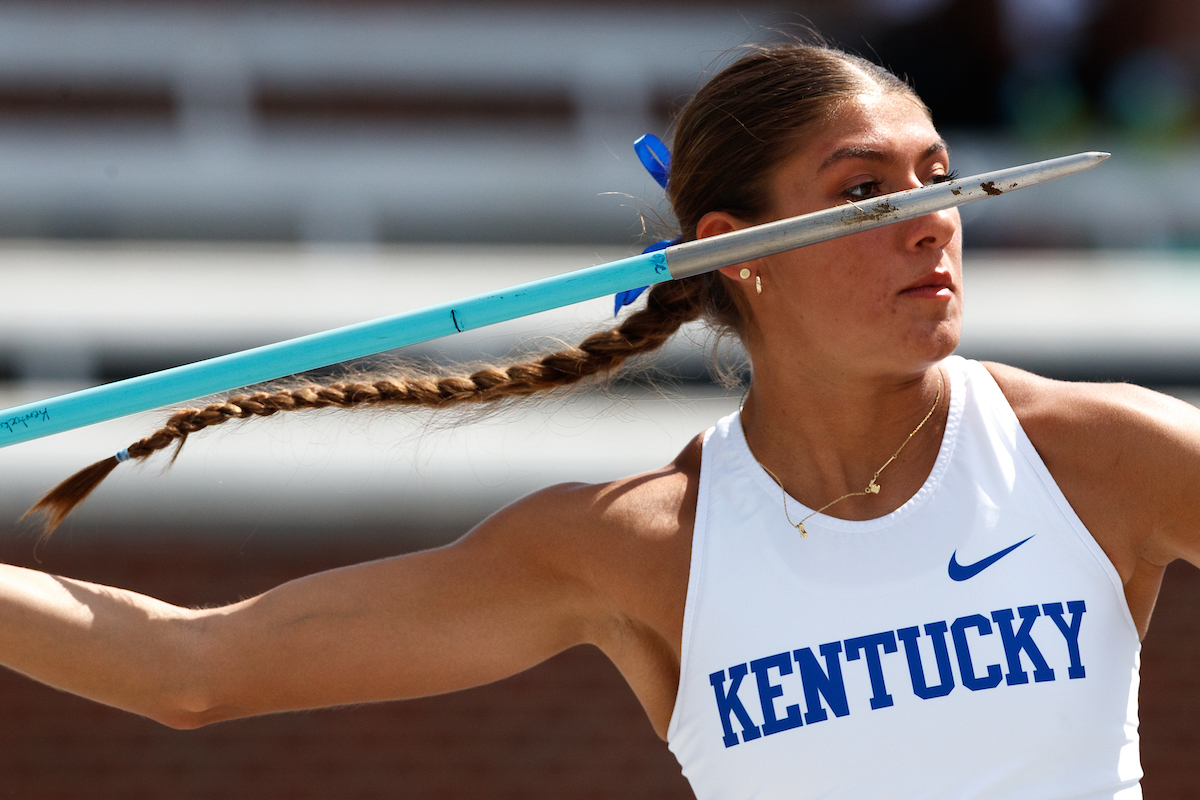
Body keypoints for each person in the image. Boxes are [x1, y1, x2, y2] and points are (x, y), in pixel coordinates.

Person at [6, 40, 1195, 799]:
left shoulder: (1099, 453)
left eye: (937, 176)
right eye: (864, 191)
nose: (933, 217)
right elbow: (190, 667)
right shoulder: (638, 545)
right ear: (737, 252)